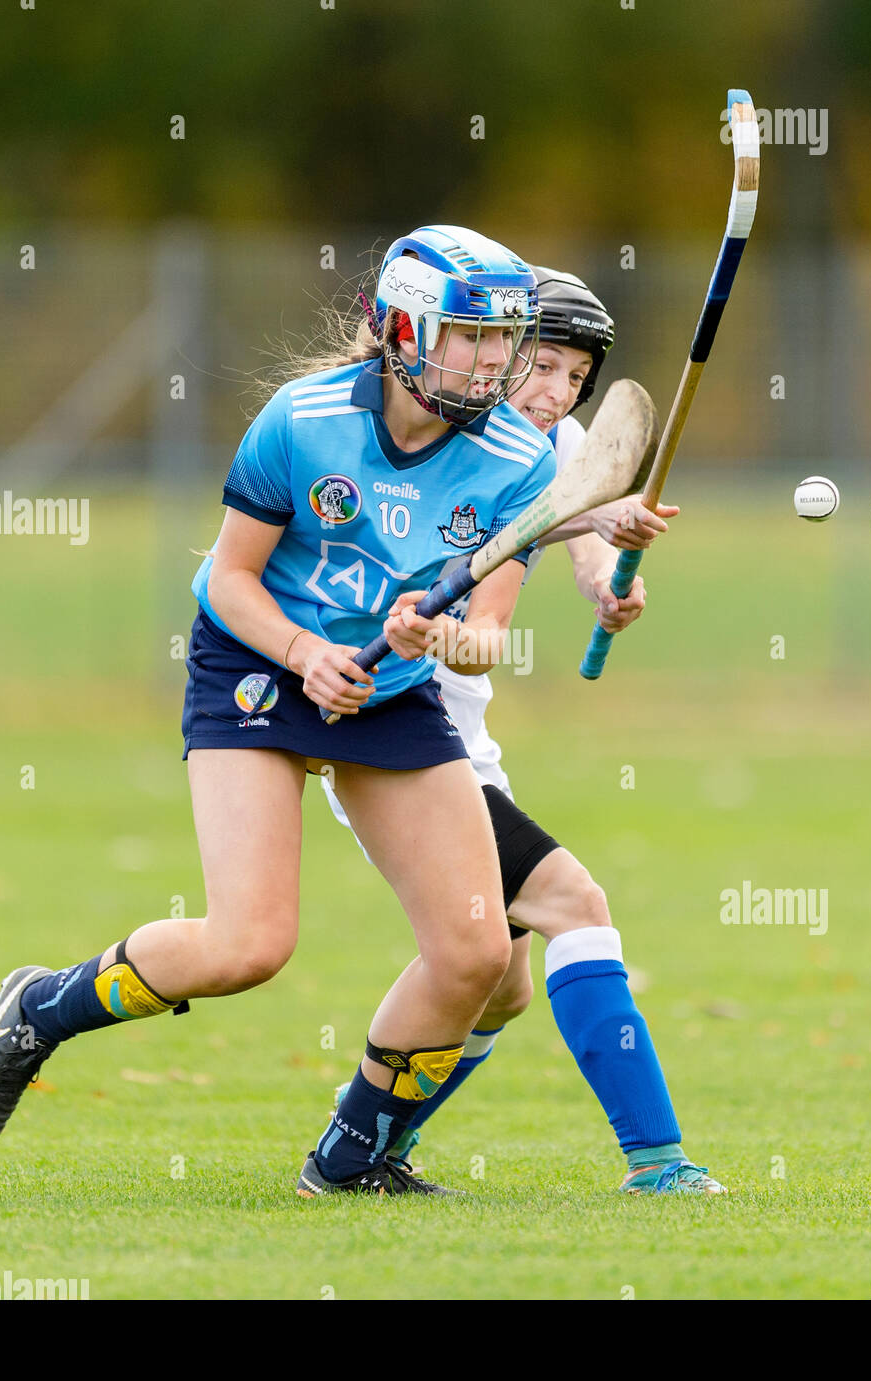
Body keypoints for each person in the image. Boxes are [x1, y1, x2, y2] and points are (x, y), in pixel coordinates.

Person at [0, 224, 561, 1197]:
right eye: (468, 336)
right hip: (256, 664)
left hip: (389, 694)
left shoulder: (517, 461)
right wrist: (307, 654)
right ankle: (38, 1007)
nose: (493, 363)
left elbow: (487, 625)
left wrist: (439, 636)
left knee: (480, 953)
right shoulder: (303, 420)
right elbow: (226, 578)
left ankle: (350, 1161)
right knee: (249, 947)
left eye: (504, 340)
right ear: (402, 329)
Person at [323, 269, 727, 1195]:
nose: (554, 392)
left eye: (574, 375)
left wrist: (606, 588)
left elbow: (582, 543)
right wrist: (455, 636)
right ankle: (659, 1165)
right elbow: (486, 635)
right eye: (539, 366)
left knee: (497, 982)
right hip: (397, 737)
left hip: (460, 745)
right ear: (489, 358)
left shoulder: (558, 444)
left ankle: (355, 1155)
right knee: (575, 905)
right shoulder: (478, 456)